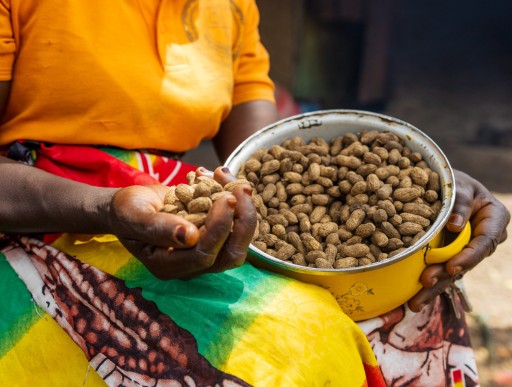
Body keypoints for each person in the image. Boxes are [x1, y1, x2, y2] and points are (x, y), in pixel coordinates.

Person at [0, 1, 509, 386]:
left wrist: (423, 177)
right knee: (296, 337)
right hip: (38, 210)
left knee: (420, 304)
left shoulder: (230, 5)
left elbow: (266, 155)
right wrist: (102, 208)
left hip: (167, 197)